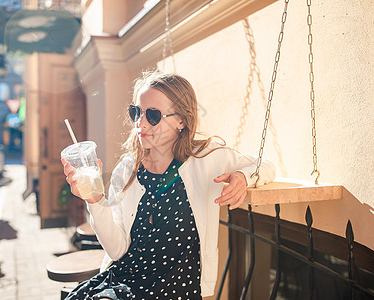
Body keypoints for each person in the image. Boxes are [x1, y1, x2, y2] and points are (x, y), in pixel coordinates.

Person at [62, 72, 276, 299]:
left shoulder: (207, 158)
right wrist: (94, 200)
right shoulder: (126, 170)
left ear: (182, 120)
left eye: (153, 115)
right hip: (127, 280)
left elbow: (265, 165)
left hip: (177, 288)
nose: (140, 123)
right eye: (136, 112)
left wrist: (243, 178)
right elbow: (117, 250)